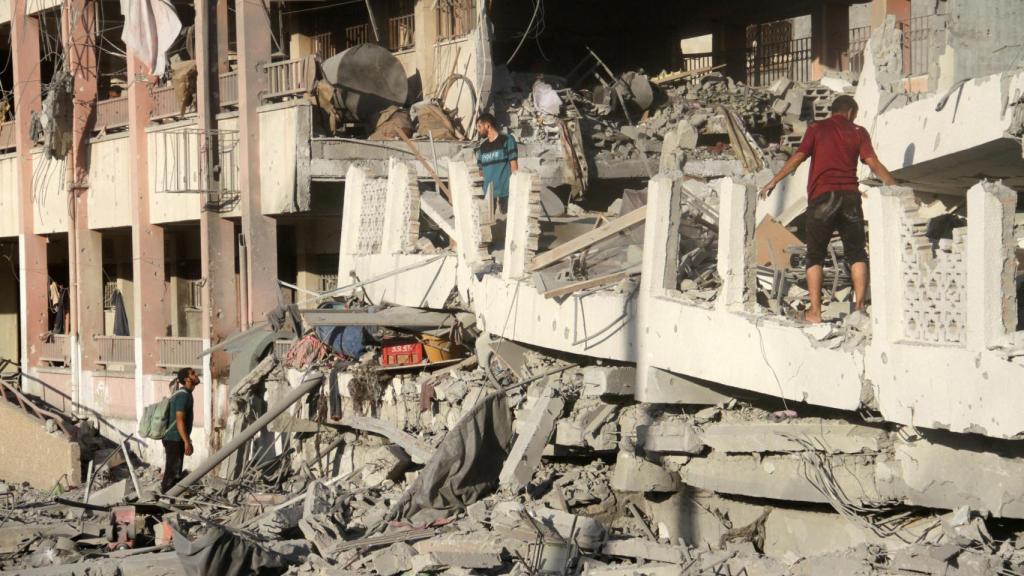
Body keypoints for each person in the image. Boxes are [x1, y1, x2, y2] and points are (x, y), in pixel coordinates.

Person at [760, 95, 897, 324]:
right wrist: (896, 186)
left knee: (815, 256)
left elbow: (798, 157)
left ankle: (814, 313)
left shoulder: (816, 129)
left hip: (822, 198)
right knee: (857, 253)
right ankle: (859, 309)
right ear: (851, 112)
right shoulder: (859, 132)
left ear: (832, 111)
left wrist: (773, 181)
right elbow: (873, 163)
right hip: (850, 198)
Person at [161, 367, 199, 494]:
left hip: (176, 438)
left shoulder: (186, 394)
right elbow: (179, 420)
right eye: (193, 374)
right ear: (187, 379)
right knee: (172, 473)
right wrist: (187, 442)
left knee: (175, 471)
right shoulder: (183, 396)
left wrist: (186, 440)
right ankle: (166, 499)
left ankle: (169, 497)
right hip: (174, 439)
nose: (196, 375)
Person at [475, 113, 518, 215]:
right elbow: (481, 172)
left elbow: (514, 166)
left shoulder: (507, 140)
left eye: (479, 126)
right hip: (488, 195)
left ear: (488, 126)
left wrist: (515, 188)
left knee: (507, 223)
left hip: (505, 193)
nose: (478, 130)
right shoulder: (482, 147)